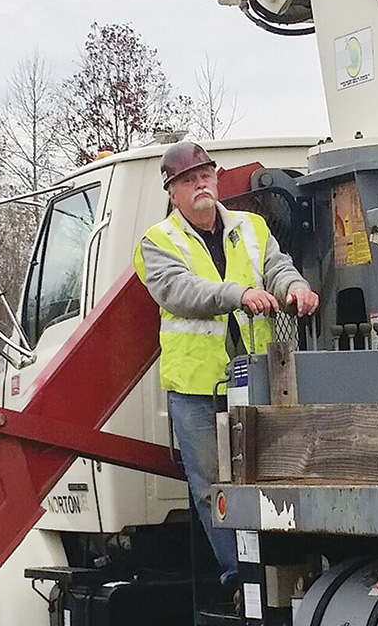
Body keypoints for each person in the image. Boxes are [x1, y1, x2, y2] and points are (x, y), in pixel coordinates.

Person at [133, 141, 319, 588]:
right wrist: (238, 295)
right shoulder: (157, 243)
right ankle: (241, 578)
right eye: (187, 180)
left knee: (273, 473)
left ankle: (285, 570)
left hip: (259, 379)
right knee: (212, 487)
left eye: (204, 175)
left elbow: (277, 267)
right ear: (172, 192)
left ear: (216, 178)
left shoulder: (253, 227)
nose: (199, 184)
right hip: (198, 387)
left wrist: (295, 288)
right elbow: (181, 292)